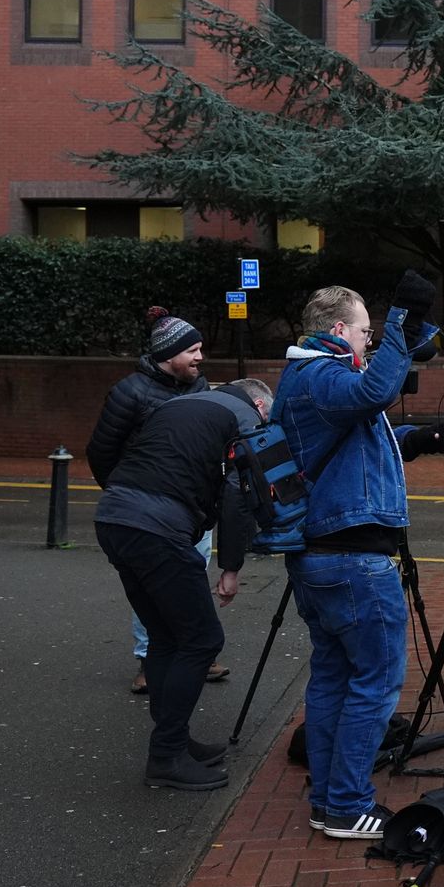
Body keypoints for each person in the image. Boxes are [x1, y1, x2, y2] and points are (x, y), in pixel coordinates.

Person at [274, 273, 444, 840]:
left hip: (326, 556)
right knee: (375, 682)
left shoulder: (310, 379)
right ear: (337, 330)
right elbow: (373, 393)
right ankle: (349, 805)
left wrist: (420, 438)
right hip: (353, 559)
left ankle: (331, 803)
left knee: (333, 679)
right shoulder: (321, 373)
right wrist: (402, 319)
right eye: (365, 331)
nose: (369, 341)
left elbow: (363, 431)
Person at [94, 377, 273, 791]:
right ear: (261, 406)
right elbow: (236, 496)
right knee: (201, 640)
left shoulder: (180, 404)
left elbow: (112, 448)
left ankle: (174, 741)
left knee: (165, 636)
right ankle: (166, 755)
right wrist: (230, 567)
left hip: (115, 517)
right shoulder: (245, 418)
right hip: (158, 529)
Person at [86, 307, 230, 694]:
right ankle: (150, 659)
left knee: (193, 576)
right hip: (151, 509)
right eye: (193, 350)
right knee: (150, 585)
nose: (200, 357)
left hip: (193, 510)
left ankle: (196, 653)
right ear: (169, 354)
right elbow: (101, 451)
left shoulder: (199, 388)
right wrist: (124, 491)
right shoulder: (129, 392)